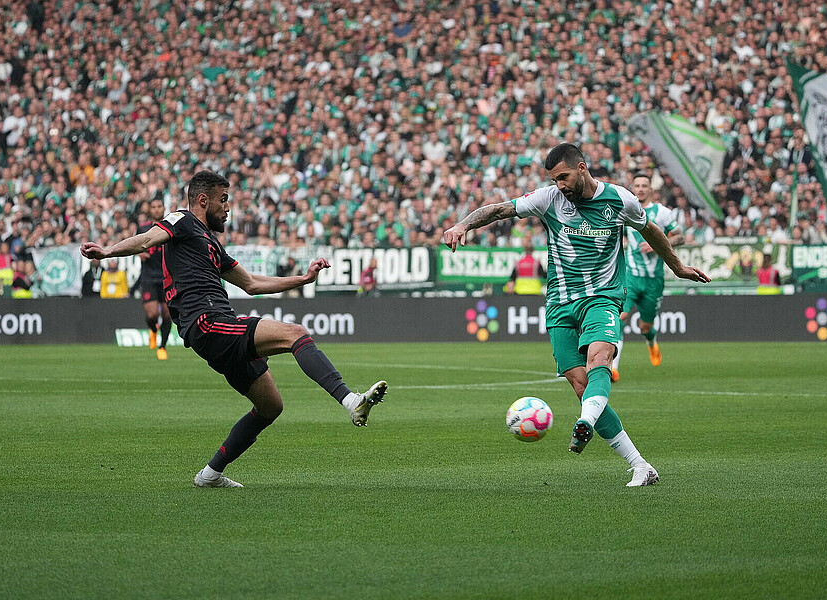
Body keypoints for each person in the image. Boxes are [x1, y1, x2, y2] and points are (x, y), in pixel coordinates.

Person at [80, 170, 388, 488]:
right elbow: (146, 240)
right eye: (223, 199)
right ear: (203, 200)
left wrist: (303, 280)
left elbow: (252, 283)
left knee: (270, 406)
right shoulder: (181, 220)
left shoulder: (210, 244)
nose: (228, 208)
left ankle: (210, 474)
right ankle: (351, 401)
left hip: (212, 328)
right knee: (295, 333)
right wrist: (106, 252)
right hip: (208, 322)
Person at [443, 144, 710, 487]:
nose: (561, 186)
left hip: (603, 297)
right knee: (580, 383)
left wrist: (678, 267)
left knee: (601, 358)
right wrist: (463, 224)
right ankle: (640, 465)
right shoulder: (549, 198)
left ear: (582, 168)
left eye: (564, 177)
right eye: (555, 180)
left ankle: (584, 421)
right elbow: (499, 210)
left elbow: (651, 230)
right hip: (560, 304)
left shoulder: (619, 199)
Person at [613, 173, 683, 381]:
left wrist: (657, 245)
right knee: (620, 317)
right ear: (632, 188)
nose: (641, 189)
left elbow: (680, 237)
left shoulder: (662, 213)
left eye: (645, 185)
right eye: (638, 185)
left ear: (651, 189)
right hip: (631, 278)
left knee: (646, 326)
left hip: (654, 280)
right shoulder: (626, 211)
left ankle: (652, 343)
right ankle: (613, 368)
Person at [137, 199, 173, 360]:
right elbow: (135, 245)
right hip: (149, 277)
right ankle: (153, 329)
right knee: (152, 314)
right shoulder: (143, 229)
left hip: (166, 277)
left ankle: (162, 347)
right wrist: (139, 253)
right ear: (150, 209)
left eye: (159, 207)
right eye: (154, 207)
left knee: (167, 314)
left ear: (164, 208)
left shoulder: (170, 227)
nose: (157, 210)